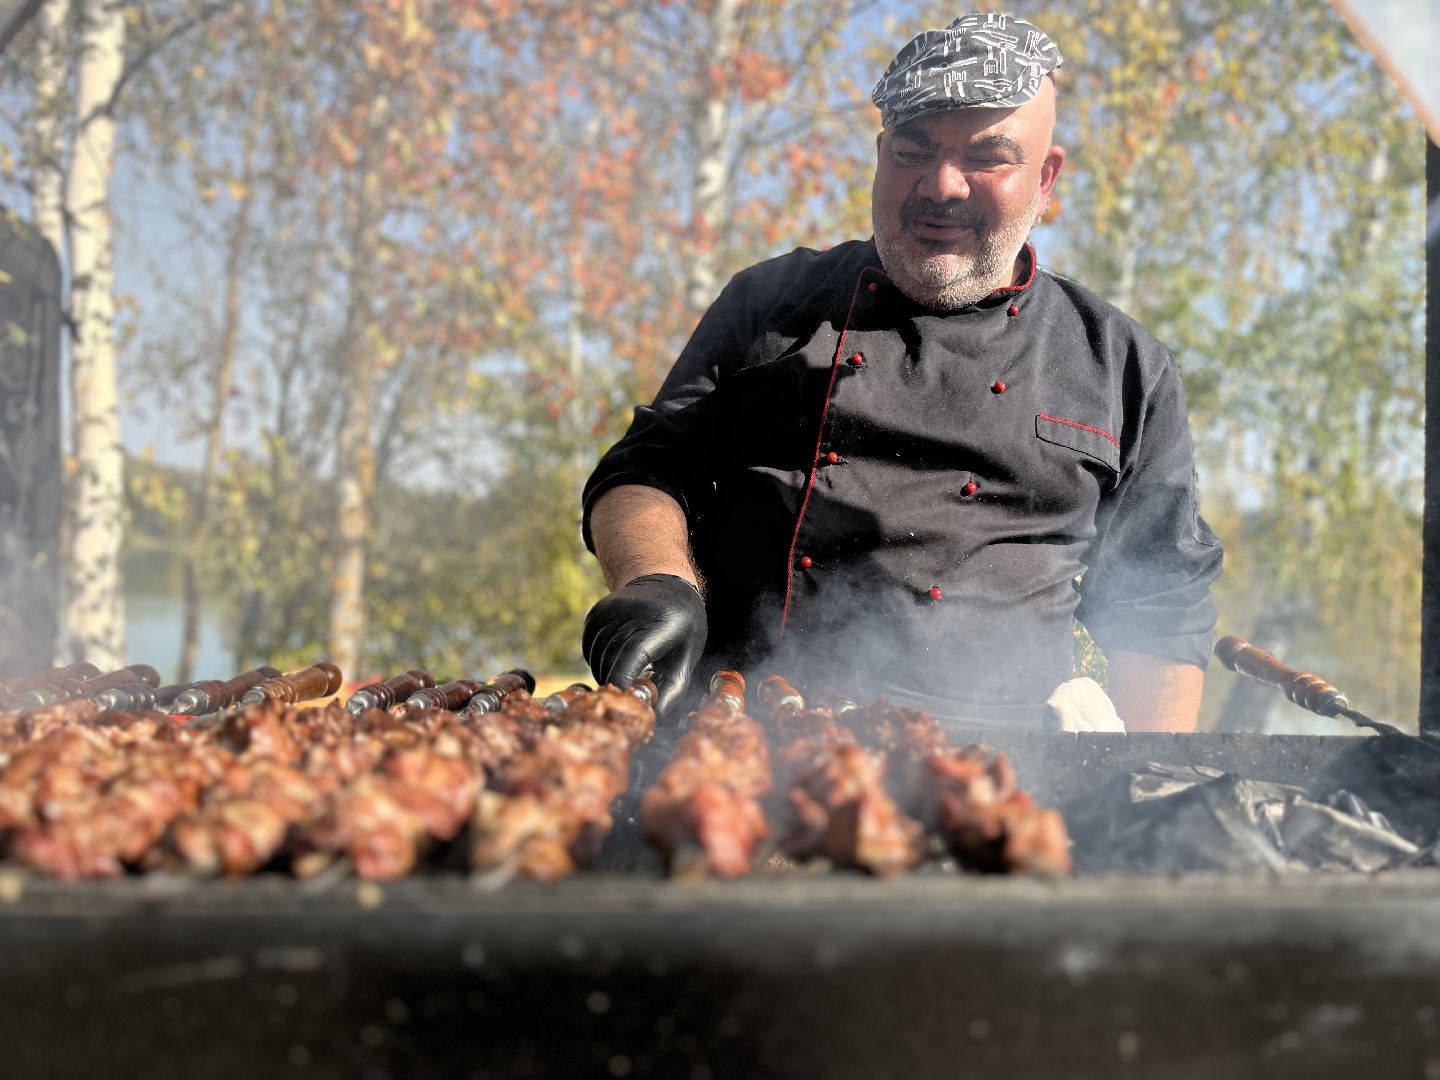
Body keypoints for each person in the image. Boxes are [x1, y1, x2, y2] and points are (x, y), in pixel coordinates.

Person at [579, 11, 1223, 732]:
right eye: (913, 150)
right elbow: (643, 473)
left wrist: (1145, 796)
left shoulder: (1120, 363)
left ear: (1046, 178)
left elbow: (1160, 609)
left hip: (1005, 780)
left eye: (987, 156)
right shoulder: (772, 303)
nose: (941, 185)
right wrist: (655, 580)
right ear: (881, 154)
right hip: (737, 742)